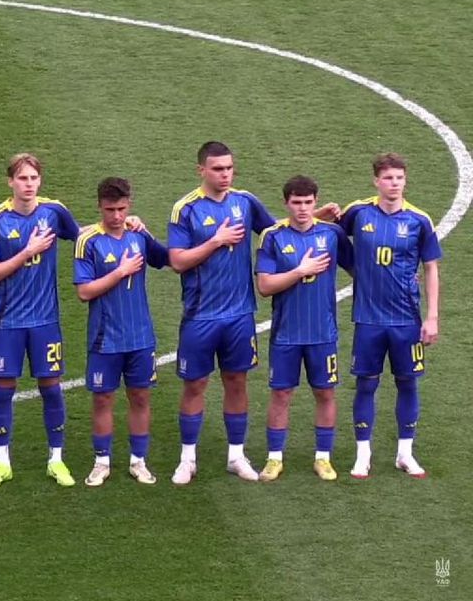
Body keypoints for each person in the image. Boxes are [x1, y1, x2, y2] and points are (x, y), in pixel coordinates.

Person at [166, 141, 278, 484]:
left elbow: (277, 233)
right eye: (217, 169)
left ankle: (236, 456)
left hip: (240, 315)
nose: (225, 174)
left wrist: (318, 219)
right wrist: (216, 240)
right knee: (195, 384)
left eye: (229, 168)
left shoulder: (245, 202)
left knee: (237, 381)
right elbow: (177, 261)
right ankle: (187, 459)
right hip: (200, 315)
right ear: (201, 170)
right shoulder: (185, 209)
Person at [0, 153, 82, 489]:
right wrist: (27, 250)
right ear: (10, 181)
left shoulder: (54, 212)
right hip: (7, 321)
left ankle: (56, 459)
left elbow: (84, 237)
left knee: (51, 387)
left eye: (33, 178)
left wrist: (128, 224)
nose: (29, 184)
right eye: (22, 178)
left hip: (45, 320)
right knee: (3, 389)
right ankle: (2, 463)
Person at [338, 153, 441, 479]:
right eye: (388, 178)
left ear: (405, 180)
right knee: (366, 384)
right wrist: (357, 270)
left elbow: (431, 268)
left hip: (407, 319)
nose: (394, 183)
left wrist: (432, 317)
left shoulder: (419, 220)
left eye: (399, 178)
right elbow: (328, 236)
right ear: (376, 181)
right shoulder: (358, 212)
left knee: (407, 383)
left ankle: (405, 454)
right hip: (368, 318)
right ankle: (363, 455)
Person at [254, 176, 353, 482]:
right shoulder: (272, 237)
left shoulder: (332, 234)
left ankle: (323, 457)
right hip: (286, 334)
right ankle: (274, 458)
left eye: (308, 202)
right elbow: (264, 286)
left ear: (315, 201)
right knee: (281, 394)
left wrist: (399, 279)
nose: (303, 208)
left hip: (323, 332)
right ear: (286, 203)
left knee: (325, 392)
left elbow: (359, 270)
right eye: (296, 202)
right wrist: (300, 271)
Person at [73, 177, 168, 486]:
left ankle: (138, 461)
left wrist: (146, 230)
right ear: (99, 206)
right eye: (110, 209)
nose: (116, 216)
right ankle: (101, 462)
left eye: (122, 209)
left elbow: (166, 259)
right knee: (103, 399)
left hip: (140, 336)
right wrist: (120, 272)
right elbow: (84, 291)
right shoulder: (88, 241)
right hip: (105, 338)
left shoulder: (137, 235)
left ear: (129, 205)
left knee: (140, 397)